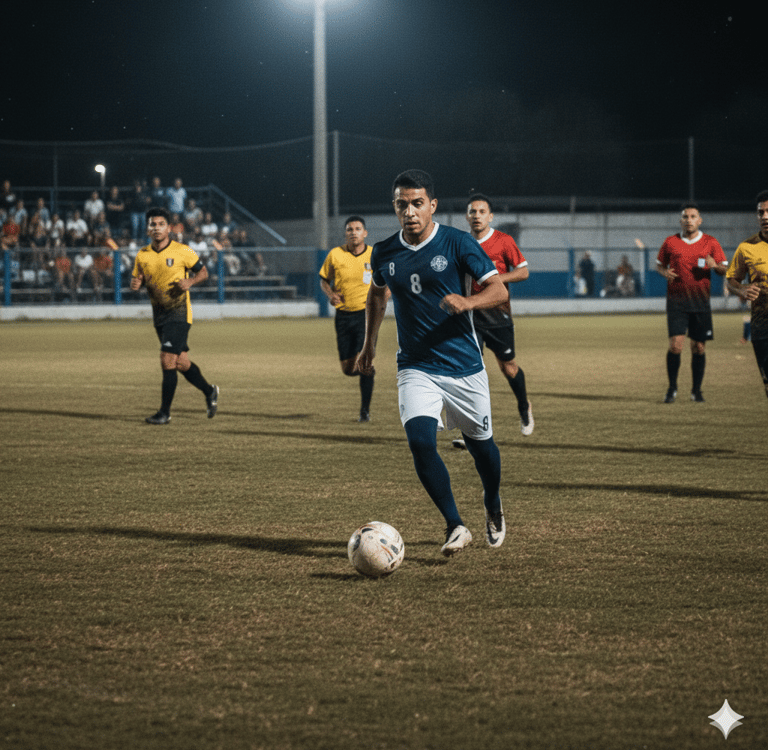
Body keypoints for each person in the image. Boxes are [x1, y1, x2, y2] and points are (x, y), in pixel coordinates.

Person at [356, 169, 508, 556]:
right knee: (421, 442)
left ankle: (492, 502)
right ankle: (455, 524)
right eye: (402, 204)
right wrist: (369, 344)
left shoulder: (457, 243)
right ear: (394, 207)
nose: (409, 211)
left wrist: (468, 302)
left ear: (432, 205)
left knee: (483, 450)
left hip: (464, 366)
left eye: (417, 203)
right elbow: (377, 296)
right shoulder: (384, 251)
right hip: (415, 365)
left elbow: (498, 289)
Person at [454, 194, 533, 444]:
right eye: (472, 211)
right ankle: (473, 431)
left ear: (490, 216)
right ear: (467, 217)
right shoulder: (460, 242)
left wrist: (495, 279)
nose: (476, 215)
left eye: (481, 211)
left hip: (498, 315)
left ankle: (523, 407)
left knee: (508, 367)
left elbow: (523, 272)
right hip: (470, 316)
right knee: (470, 373)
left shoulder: (503, 241)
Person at [130, 207, 219, 425]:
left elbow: (204, 272)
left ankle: (164, 413)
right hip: (159, 314)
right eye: (153, 224)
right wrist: (136, 284)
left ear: (169, 227)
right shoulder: (142, 255)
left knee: (166, 359)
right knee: (180, 362)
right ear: (148, 228)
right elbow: (139, 279)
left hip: (179, 313)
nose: (157, 228)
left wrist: (190, 282)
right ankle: (210, 391)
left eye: (161, 224)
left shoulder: (183, 251)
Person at [656, 203, 727, 403]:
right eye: (685, 217)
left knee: (699, 348)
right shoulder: (671, 242)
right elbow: (659, 265)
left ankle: (696, 390)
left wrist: (714, 266)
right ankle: (672, 389)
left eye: (693, 216)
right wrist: (665, 273)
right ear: (681, 220)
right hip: (676, 302)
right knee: (676, 346)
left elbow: (724, 268)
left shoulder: (710, 242)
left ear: (699, 220)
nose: (689, 220)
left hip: (700, 302)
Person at [319, 215, 381, 422]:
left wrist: (384, 295)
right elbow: (324, 280)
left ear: (365, 233)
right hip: (343, 317)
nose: (353, 232)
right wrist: (331, 295)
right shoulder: (335, 255)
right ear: (345, 233)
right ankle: (367, 372)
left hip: (366, 315)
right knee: (347, 369)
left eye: (357, 229)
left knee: (364, 362)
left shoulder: (374, 255)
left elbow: (386, 280)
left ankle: (365, 410)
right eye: (349, 229)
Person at [726, 190, 768, 401]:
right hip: (762, 326)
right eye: (761, 212)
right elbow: (731, 279)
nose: (765, 217)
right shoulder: (746, 248)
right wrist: (741, 289)